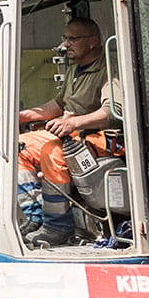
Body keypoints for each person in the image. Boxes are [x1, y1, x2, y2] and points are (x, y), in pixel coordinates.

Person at [16, 16, 110, 247]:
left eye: (72, 39)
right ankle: (35, 215)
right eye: (64, 38)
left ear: (92, 42)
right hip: (72, 133)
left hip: (99, 137)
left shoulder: (109, 71)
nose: (65, 44)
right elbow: (59, 105)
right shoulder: (76, 70)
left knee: (51, 153)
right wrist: (22, 115)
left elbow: (111, 112)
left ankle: (58, 225)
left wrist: (73, 123)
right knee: (17, 147)